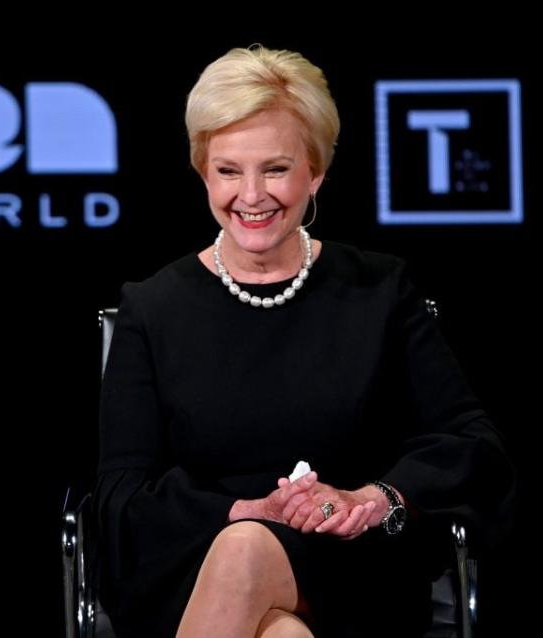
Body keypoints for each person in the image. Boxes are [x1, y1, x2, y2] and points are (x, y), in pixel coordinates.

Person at [95, 45, 514, 638]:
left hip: (352, 565)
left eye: (276, 168)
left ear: (315, 170)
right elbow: (119, 495)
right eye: (228, 170)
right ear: (201, 170)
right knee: (269, 606)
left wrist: (370, 497)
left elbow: (472, 444)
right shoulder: (154, 306)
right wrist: (247, 513)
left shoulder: (381, 290)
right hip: (193, 562)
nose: (252, 195)